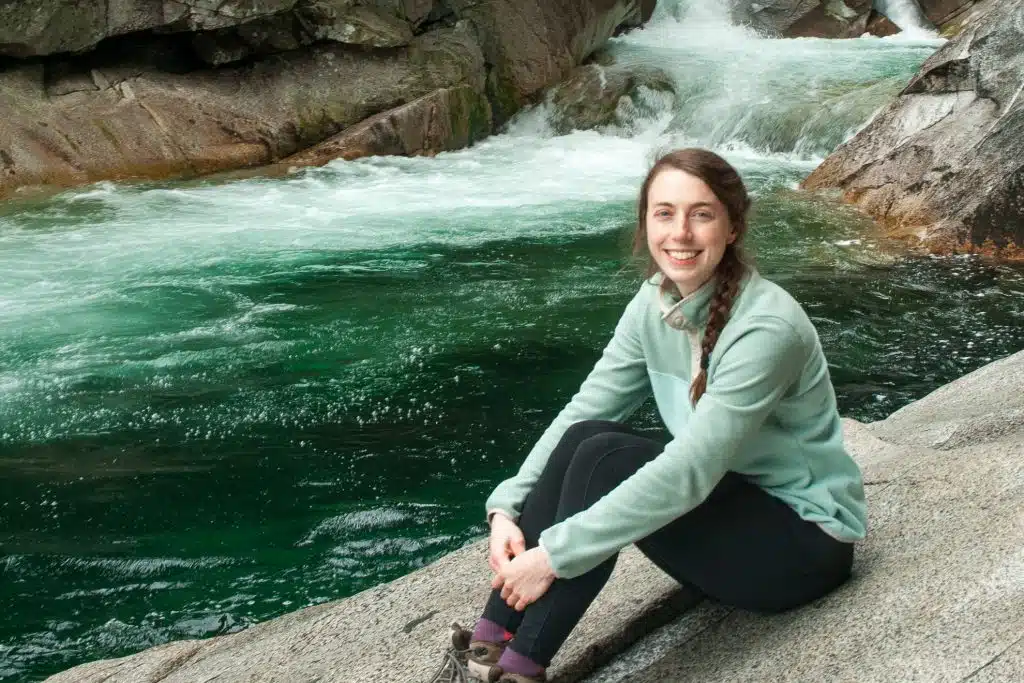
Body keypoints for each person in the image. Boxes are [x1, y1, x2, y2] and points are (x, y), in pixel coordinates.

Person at [430, 148, 867, 683]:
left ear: (732, 227)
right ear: (645, 223)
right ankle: (489, 644)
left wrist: (553, 556)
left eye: (701, 213)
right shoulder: (654, 303)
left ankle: (520, 670)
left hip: (799, 550)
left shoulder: (765, 329)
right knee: (589, 437)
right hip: (731, 518)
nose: (680, 232)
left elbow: (689, 473)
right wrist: (505, 508)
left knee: (606, 457)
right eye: (664, 213)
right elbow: (585, 409)